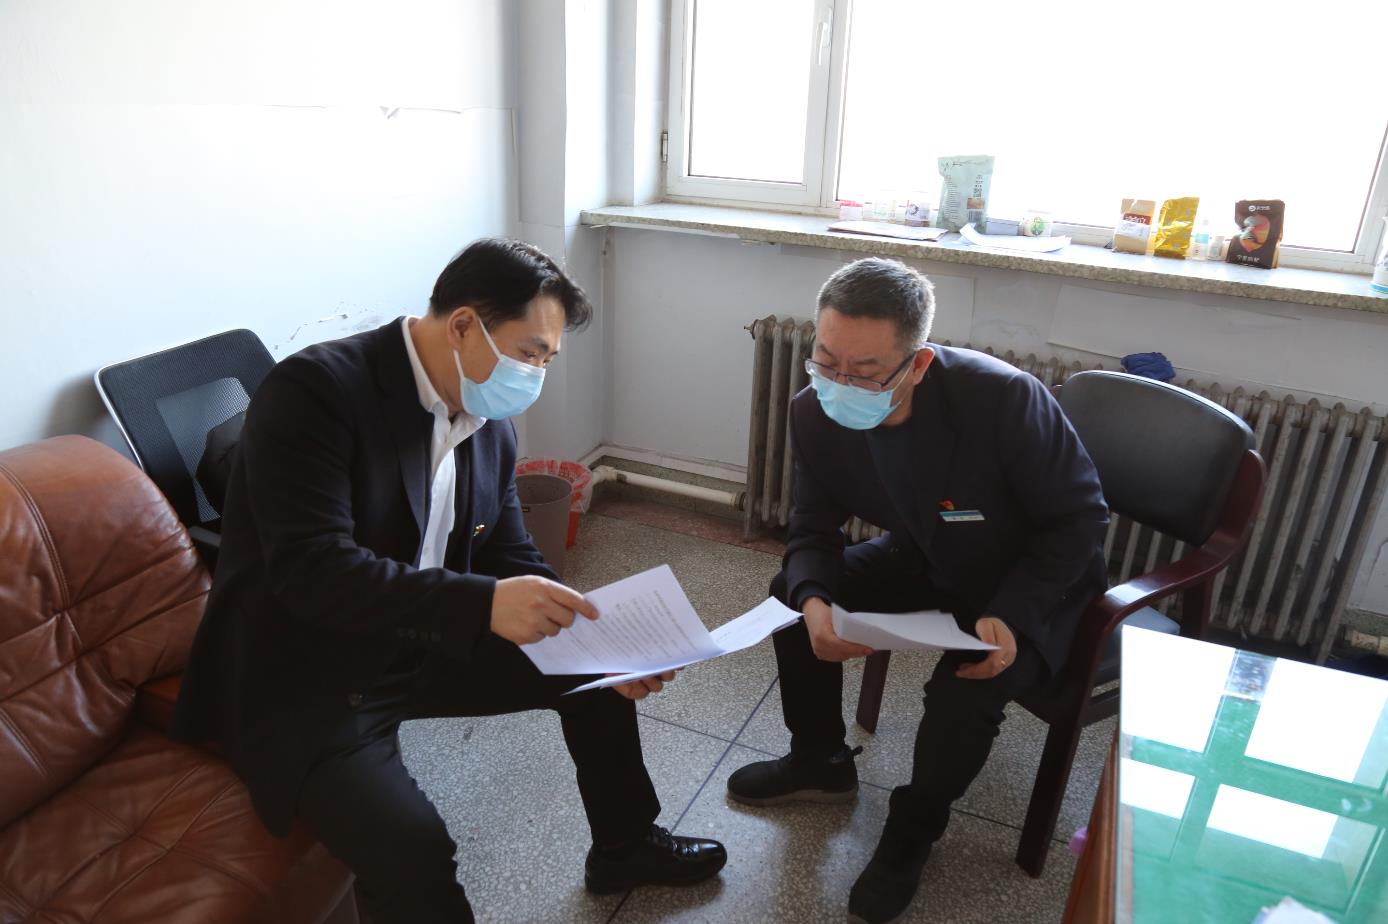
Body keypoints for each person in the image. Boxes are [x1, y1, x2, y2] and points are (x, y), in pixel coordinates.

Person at [172, 238, 726, 923]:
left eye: (547, 360)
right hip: (311, 667)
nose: (535, 375)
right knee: (413, 852)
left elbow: (508, 551)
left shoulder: (488, 422)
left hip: (420, 635)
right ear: (464, 324)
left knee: (595, 674)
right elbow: (312, 571)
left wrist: (591, 631)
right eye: (528, 353)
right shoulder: (316, 392)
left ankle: (625, 844)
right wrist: (484, 604)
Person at [726, 257, 1107, 924]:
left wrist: (1013, 615)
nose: (840, 383)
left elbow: (1080, 521)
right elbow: (814, 526)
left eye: (866, 372)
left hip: (1029, 580)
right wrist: (815, 603)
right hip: (926, 556)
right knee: (793, 596)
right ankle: (819, 760)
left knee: (966, 690)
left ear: (919, 363)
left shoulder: (1003, 400)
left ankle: (914, 826)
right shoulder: (815, 410)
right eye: (826, 360)